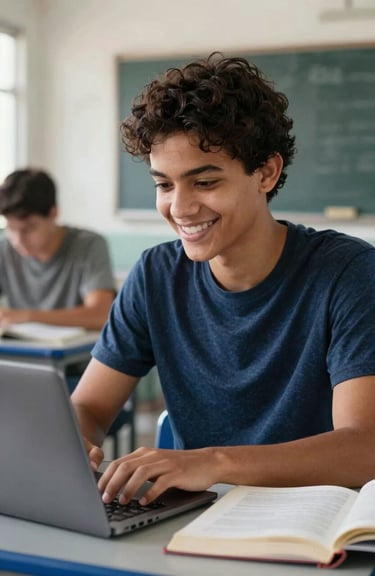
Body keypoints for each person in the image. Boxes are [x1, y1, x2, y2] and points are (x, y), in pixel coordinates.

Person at [71, 53, 375, 508]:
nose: (180, 207)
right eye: (164, 185)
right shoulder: (155, 275)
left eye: (205, 182)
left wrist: (212, 462)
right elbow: (90, 408)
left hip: (315, 522)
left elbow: (364, 447)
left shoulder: (348, 273)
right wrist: (72, 441)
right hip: (197, 518)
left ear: (266, 173)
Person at [0, 168, 116, 330]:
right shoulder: (4, 248)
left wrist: (26, 316)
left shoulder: (89, 245)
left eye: (29, 229)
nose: (18, 240)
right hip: (19, 350)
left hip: (77, 353)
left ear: (53, 213)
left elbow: (100, 314)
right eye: (11, 228)